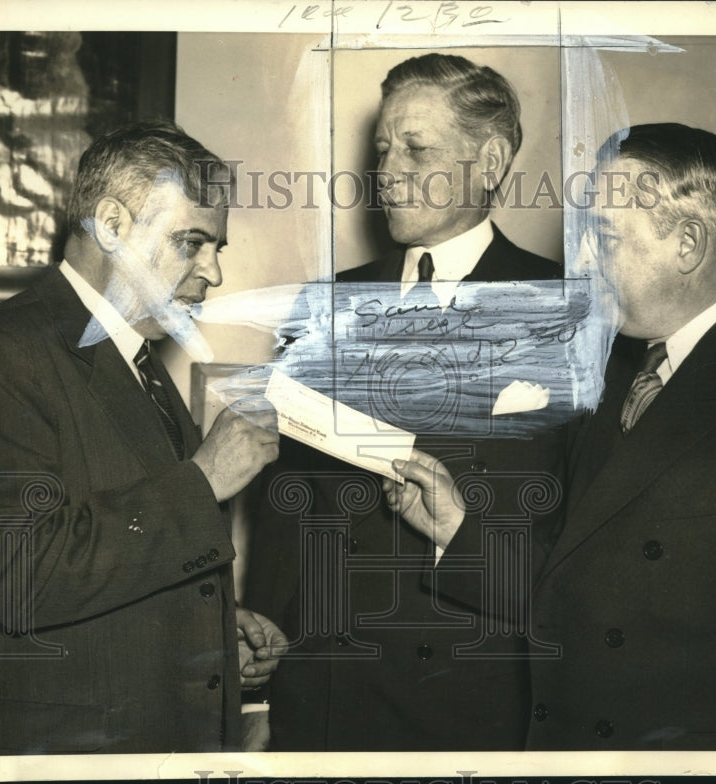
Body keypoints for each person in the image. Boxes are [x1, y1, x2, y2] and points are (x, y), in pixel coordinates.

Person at [388, 123, 716, 750]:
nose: (583, 261)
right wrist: (457, 528)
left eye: (603, 237)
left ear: (687, 244)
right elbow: (582, 588)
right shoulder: (613, 377)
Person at [246, 53, 564, 751]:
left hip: (467, 701)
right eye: (383, 149)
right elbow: (285, 493)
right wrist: (262, 624)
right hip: (322, 699)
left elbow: (582, 543)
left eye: (416, 149)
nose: (386, 172)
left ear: (491, 160)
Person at [0, 120, 285, 755]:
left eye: (217, 248)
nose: (213, 271)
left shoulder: (136, 361)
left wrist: (206, 626)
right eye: (192, 242)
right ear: (112, 224)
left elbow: (111, 551)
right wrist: (205, 477)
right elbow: (25, 578)